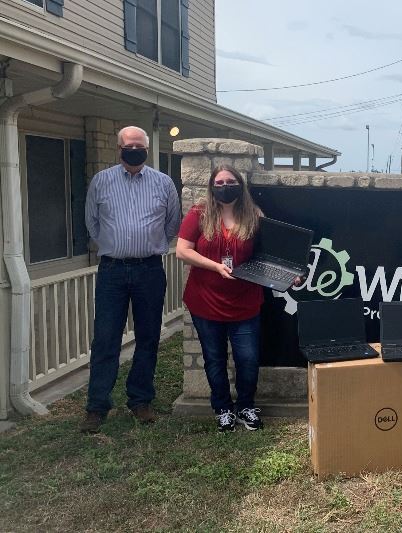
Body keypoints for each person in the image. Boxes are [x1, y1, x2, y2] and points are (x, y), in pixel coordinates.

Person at [176, 165, 301, 432]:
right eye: (219, 182)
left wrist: (287, 275)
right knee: (214, 358)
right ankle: (223, 408)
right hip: (205, 301)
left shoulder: (254, 215)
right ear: (211, 186)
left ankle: (245, 406)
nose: (224, 186)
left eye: (230, 181)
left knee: (247, 358)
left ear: (240, 185)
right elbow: (182, 251)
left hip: (245, 302)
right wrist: (216, 266)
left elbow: (268, 255)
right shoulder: (199, 214)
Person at [80, 126, 181, 433]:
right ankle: (97, 406)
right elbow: (92, 224)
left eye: (140, 146)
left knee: (149, 337)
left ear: (146, 150)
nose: (134, 149)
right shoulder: (102, 181)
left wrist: (146, 247)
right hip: (112, 270)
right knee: (106, 338)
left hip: (149, 270)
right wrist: (118, 248)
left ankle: (140, 400)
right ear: (119, 148)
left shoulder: (163, 183)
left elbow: (172, 223)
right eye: (129, 145)